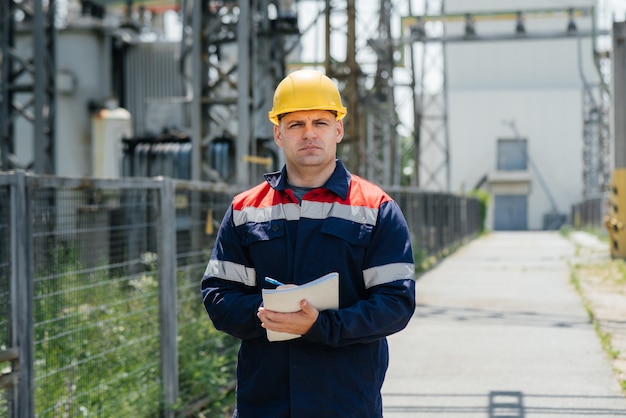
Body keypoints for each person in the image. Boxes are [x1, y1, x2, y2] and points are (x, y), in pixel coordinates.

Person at [201, 69, 416, 418]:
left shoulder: (376, 209)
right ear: (278, 134)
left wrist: (319, 326)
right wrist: (272, 315)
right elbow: (218, 295)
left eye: (320, 122)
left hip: (345, 402)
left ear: (338, 130)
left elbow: (395, 304)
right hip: (265, 403)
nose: (309, 133)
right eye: (296, 124)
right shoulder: (246, 210)